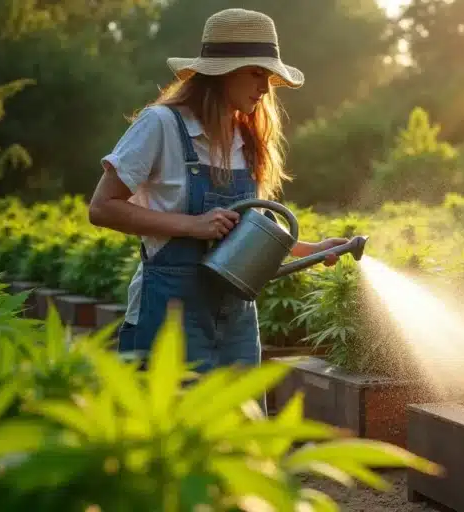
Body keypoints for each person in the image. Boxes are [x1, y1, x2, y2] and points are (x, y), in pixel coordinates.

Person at [87, 8, 347, 409]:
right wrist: (192, 226)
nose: (265, 87)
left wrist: (307, 250)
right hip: (172, 314)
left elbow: (244, 228)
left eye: (268, 76)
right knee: (176, 439)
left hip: (236, 316)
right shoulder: (160, 126)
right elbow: (103, 208)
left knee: (240, 437)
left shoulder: (247, 138)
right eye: (257, 73)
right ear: (225, 71)